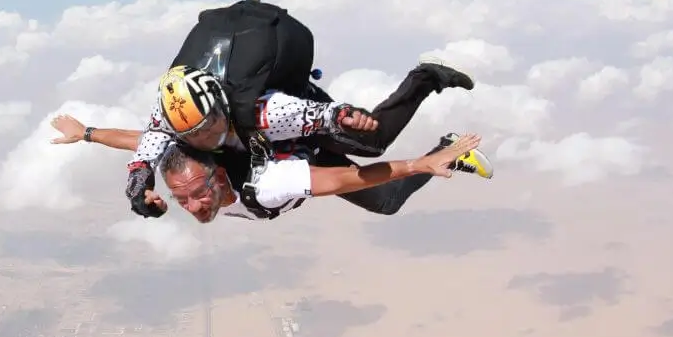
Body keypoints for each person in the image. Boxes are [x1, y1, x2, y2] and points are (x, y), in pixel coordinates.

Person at [124, 0, 476, 219]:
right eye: (194, 135)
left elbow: (316, 117)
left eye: (210, 126)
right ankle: (448, 150)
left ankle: (427, 75)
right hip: (285, 151)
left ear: (219, 103)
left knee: (373, 142)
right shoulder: (173, 119)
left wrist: (341, 116)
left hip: (297, 124)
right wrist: (137, 180)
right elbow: (144, 142)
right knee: (385, 202)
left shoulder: (263, 112)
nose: (206, 139)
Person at [50, 114, 492, 221]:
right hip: (290, 158)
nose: (193, 204)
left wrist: (420, 163)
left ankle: (448, 148)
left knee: (386, 199)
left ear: (216, 175)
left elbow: (349, 178)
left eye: (196, 194)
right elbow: (142, 140)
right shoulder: (190, 171)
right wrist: (86, 133)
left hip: (302, 156)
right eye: (181, 198)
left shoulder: (265, 185)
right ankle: (439, 152)